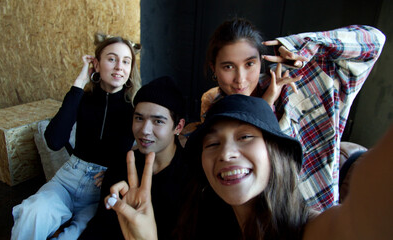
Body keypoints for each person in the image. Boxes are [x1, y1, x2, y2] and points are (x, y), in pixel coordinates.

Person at [105, 94, 393, 240]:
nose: (227, 153)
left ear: (275, 153)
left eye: (245, 137)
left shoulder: (309, 229)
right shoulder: (201, 224)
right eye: (212, 144)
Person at [199, 18, 386, 210]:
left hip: (318, 210)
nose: (240, 79)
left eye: (249, 64)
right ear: (214, 68)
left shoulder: (300, 78)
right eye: (228, 67)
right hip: (265, 220)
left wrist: (300, 45)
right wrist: (265, 105)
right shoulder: (215, 108)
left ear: (261, 61)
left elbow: (375, 40)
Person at [11, 34, 141, 240]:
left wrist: (120, 172)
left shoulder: (135, 107)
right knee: (33, 213)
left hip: (102, 190)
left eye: (126, 61)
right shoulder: (82, 98)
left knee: (79, 236)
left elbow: (149, 147)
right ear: (96, 65)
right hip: (68, 179)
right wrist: (79, 83)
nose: (119, 67)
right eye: (112, 59)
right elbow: (54, 141)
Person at [79, 76, 188, 239]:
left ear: (178, 126)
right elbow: (99, 227)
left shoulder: (193, 175)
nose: (145, 130)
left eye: (158, 121)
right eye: (139, 118)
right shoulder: (121, 166)